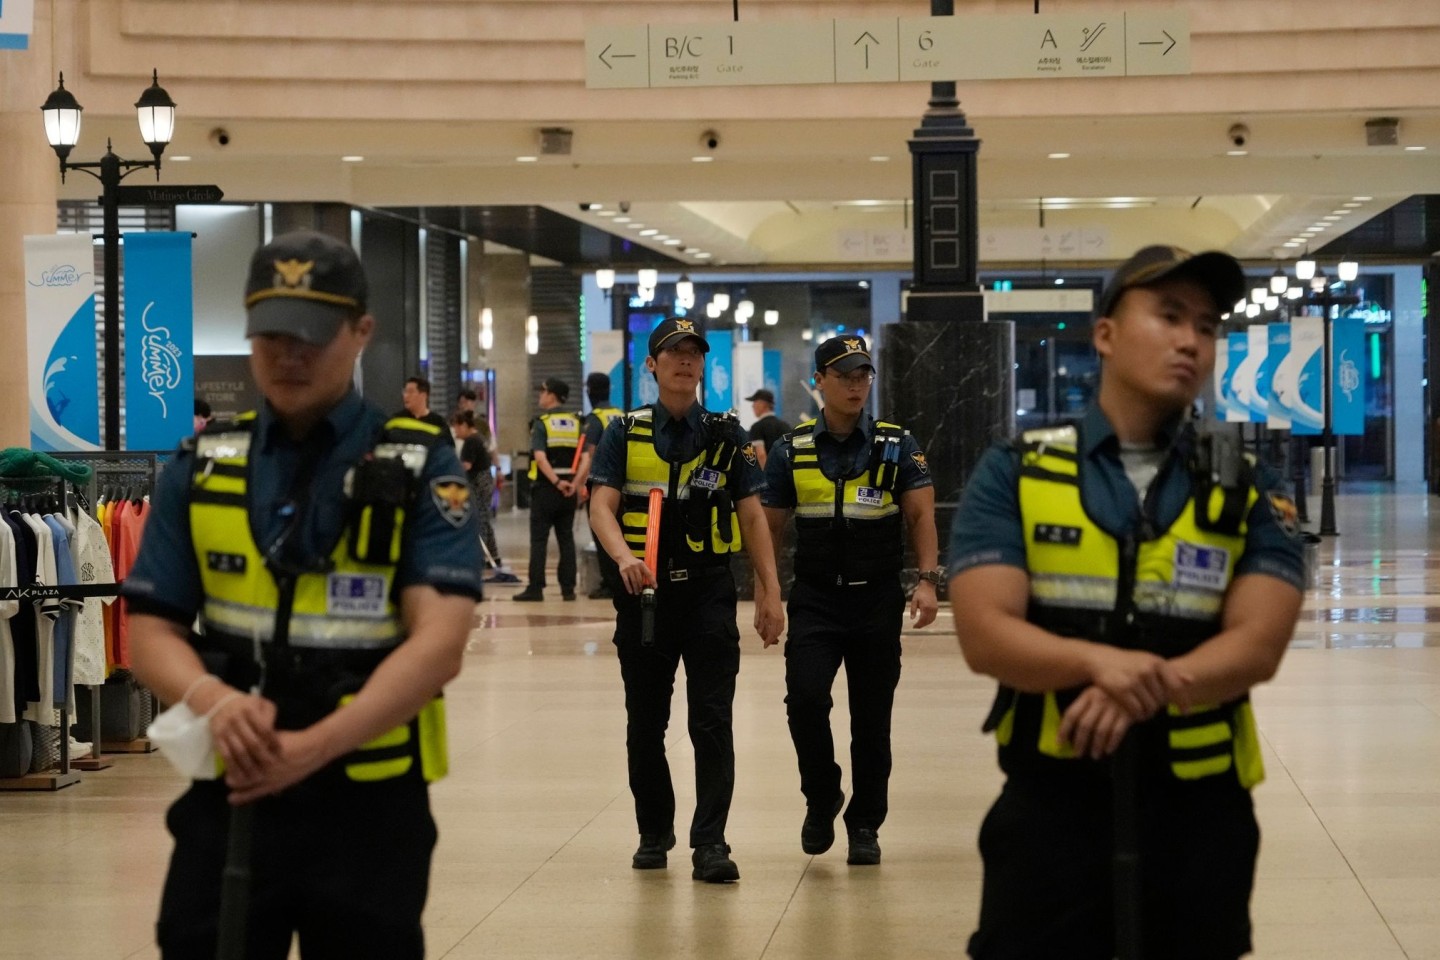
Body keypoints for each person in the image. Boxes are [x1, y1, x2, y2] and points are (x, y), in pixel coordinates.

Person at [122, 229, 483, 960]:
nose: (289, 353)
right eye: (272, 332)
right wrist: (215, 702)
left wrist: (312, 748)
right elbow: (150, 631)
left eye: (313, 334)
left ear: (361, 332)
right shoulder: (200, 468)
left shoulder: (418, 463)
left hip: (369, 804)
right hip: (233, 791)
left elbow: (440, 641)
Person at [948, 245, 1305, 960]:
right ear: (1105, 334)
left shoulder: (1246, 483)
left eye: (1206, 326)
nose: (1190, 341)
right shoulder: (1017, 470)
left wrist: (1136, 689)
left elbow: (1259, 644)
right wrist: (1099, 662)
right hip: (1052, 805)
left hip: (1201, 816)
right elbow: (986, 633)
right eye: (1169, 315)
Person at [588, 317, 785, 884]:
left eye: (694, 353)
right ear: (651, 365)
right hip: (643, 596)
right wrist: (624, 557)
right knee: (645, 722)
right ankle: (654, 831)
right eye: (672, 352)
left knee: (712, 721)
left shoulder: (726, 433)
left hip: (708, 593)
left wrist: (770, 592)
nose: (685, 360)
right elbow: (600, 506)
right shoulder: (625, 431)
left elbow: (752, 514)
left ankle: (711, 842)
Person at [761, 335, 939, 866]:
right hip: (815, 598)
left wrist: (927, 580)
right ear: (820, 381)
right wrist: (767, 594)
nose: (857, 384)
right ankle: (822, 797)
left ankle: (865, 825)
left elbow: (921, 516)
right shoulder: (791, 449)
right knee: (806, 701)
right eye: (844, 375)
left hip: (876, 599)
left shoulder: (895, 443)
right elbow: (766, 530)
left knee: (871, 718)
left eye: (864, 375)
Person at [514, 377, 579, 602]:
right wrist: (573, 483)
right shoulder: (576, 422)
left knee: (539, 540)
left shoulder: (542, 422)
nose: (540, 396)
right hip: (569, 490)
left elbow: (540, 458)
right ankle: (568, 589)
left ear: (551, 395)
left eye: (542, 392)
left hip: (546, 489)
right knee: (566, 539)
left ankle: (535, 588)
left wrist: (556, 482)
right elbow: (585, 456)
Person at [573, 371, 624, 600]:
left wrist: (580, 485)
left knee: (602, 533)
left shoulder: (594, 419)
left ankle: (610, 582)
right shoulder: (620, 414)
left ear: (590, 390)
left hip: (602, 486)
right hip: (623, 486)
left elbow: (590, 455)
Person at [451, 410, 506, 580]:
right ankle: (493, 556)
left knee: (479, 520)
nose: (456, 432)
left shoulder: (470, 441)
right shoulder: (480, 438)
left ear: (465, 426)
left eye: (457, 428)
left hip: (476, 483)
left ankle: (480, 558)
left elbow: (466, 465)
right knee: (485, 518)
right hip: (485, 480)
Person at [744, 388, 791, 468]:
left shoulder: (757, 427)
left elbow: (761, 455)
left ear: (762, 404)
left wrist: (767, 474)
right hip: (786, 471)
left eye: (755, 402)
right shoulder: (784, 425)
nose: (753, 406)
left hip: (770, 473)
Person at [400, 376, 453, 445]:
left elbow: (448, 449)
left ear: (423, 395)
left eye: (410, 392)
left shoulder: (438, 422)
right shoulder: (397, 420)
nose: (405, 396)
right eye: (405, 391)